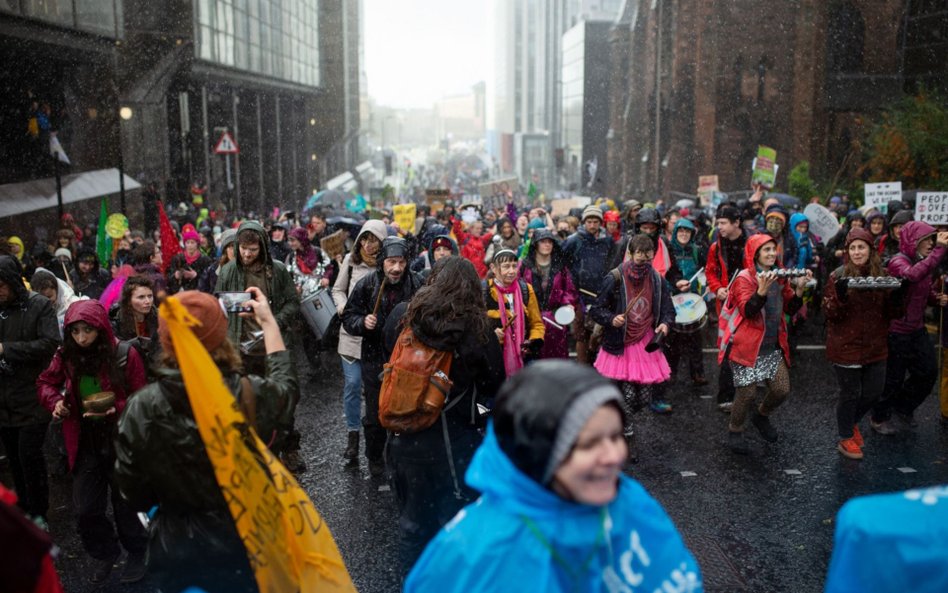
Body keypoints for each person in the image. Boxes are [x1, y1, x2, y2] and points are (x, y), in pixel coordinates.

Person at [404, 361, 703, 593]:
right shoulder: (474, 553)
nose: (614, 456)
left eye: (615, 436)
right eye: (588, 444)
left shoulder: (629, 500)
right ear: (539, 453)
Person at [113, 289, 295, 593]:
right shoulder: (247, 393)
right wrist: (269, 323)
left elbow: (132, 492)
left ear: (168, 342)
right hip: (248, 541)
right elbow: (286, 391)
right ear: (220, 336)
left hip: (179, 550)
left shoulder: (140, 407)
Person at [382, 257, 505, 575]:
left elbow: (388, 359)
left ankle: (414, 581)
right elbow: (494, 386)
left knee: (413, 522)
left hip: (404, 433)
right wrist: (480, 415)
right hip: (455, 442)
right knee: (456, 521)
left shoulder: (404, 316)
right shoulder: (478, 329)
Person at [36, 300, 148, 584]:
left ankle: (137, 553)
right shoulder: (66, 355)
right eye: (75, 332)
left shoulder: (125, 353)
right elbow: (45, 383)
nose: (82, 338)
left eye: (88, 331)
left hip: (121, 440)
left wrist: (117, 408)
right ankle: (106, 552)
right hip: (84, 440)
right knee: (86, 509)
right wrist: (56, 403)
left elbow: (143, 398)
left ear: (100, 327)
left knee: (126, 505)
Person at [215, 221, 302, 469]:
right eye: (242, 248)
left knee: (282, 400)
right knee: (245, 402)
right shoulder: (228, 271)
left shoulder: (277, 270)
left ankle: (290, 448)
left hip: (271, 348)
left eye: (252, 249)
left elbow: (293, 303)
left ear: (262, 247)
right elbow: (217, 304)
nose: (246, 254)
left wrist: (273, 320)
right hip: (240, 348)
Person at [720, 234, 809, 454]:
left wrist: (799, 291)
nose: (771, 254)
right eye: (765, 250)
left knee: (781, 390)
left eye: (773, 249)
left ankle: (761, 416)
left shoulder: (779, 277)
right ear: (755, 254)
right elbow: (747, 311)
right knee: (747, 394)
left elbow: (790, 309)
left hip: (771, 346)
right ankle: (735, 430)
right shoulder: (744, 278)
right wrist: (760, 291)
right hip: (746, 347)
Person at [342, 236, 423, 476]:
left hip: (409, 359)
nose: (396, 268)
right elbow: (348, 317)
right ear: (382, 263)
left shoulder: (417, 283)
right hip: (374, 356)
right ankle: (375, 457)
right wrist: (362, 322)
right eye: (391, 262)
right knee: (377, 413)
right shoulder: (367, 285)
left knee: (407, 408)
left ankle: (404, 456)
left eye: (400, 262)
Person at [590, 234, 675, 460]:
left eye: (648, 260)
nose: (644, 265)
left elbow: (668, 308)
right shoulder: (615, 278)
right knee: (628, 393)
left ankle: (619, 416)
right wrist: (611, 318)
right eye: (640, 260)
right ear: (630, 254)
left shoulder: (656, 279)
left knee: (644, 398)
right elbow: (596, 309)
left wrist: (665, 323)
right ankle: (625, 432)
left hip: (646, 343)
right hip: (621, 342)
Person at [823, 228, 905, 460]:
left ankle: (852, 423)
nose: (857, 252)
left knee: (873, 392)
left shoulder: (883, 275)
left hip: (875, 346)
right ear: (847, 251)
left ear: (870, 249)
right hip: (845, 346)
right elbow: (830, 314)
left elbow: (893, 313)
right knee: (849, 393)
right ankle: (845, 436)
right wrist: (840, 297)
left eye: (862, 247)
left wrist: (899, 296)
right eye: (853, 248)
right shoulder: (837, 275)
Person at [870, 221, 948, 434]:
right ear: (913, 241)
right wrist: (940, 250)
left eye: (933, 240)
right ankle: (879, 417)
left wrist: (936, 298)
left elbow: (923, 288)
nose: (931, 244)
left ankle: (903, 407)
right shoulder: (898, 261)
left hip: (917, 329)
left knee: (928, 371)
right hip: (896, 331)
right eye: (927, 240)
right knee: (893, 378)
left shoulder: (925, 261)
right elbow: (912, 275)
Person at [0, 255, 60, 531]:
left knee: (29, 456)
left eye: (1, 285)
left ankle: (39, 512)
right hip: (4, 400)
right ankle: (23, 509)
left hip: (32, 396)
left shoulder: (38, 305)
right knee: (13, 458)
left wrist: (7, 349)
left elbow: (49, 343)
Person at [332, 220, 387, 464]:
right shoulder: (350, 262)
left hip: (377, 340)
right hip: (351, 336)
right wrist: (344, 307)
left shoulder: (390, 264)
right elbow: (337, 289)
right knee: (353, 385)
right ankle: (353, 435)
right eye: (364, 240)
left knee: (378, 391)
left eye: (373, 240)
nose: (367, 245)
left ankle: (380, 437)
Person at [706, 204, 750, 412]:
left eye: (723, 223)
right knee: (728, 349)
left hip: (750, 303)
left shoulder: (752, 243)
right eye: (718, 222)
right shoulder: (716, 247)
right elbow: (710, 272)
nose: (719, 227)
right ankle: (725, 395)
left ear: (736, 223)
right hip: (726, 306)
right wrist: (718, 288)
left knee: (749, 347)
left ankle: (747, 392)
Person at [562, 205, 614, 364]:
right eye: (589, 221)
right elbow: (562, 265)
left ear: (600, 223)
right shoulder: (573, 241)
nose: (592, 225)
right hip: (579, 295)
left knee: (599, 333)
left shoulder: (607, 241)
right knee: (580, 334)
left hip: (601, 294)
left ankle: (598, 364)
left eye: (595, 222)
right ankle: (582, 367)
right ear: (584, 222)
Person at [519, 229, 579, 359]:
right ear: (536, 244)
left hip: (555, 320)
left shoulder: (560, 266)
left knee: (556, 357)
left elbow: (569, 290)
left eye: (550, 242)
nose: (547, 245)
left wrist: (568, 304)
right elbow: (517, 289)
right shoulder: (524, 266)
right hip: (531, 320)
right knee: (533, 357)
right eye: (543, 242)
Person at [484, 249, 545, 376]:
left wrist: (532, 341)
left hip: (524, 357)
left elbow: (537, 323)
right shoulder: (484, 292)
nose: (512, 271)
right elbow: (475, 326)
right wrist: (491, 335)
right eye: (506, 267)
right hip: (494, 357)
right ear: (493, 268)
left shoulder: (526, 289)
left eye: (514, 266)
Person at [664, 218, 708, 385]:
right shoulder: (669, 250)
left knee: (695, 338)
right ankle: (670, 372)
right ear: (675, 232)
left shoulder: (697, 251)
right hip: (672, 299)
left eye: (687, 231)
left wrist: (705, 284)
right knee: (672, 340)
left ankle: (697, 373)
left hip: (692, 301)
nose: (684, 234)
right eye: (681, 231)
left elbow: (706, 271)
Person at [110, 275, 160, 368]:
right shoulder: (116, 321)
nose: (148, 301)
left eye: (150, 296)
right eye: (141, 297)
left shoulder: (159, 317)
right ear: (129, 300)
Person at [166, 229, 213, 294]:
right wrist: (175, 276)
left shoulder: (205, 260)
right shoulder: (177, 259)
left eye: (192, 242)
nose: (190, 245)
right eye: (187, 242)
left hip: (198, 295)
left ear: (197, 244)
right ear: (184, 244)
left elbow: (210, 280)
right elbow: (168, 278)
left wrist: (195, 276)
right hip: (180, 295)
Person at [197, 228, 236, 294]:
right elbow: (203, 291)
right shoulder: (213, 269)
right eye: (231, 246)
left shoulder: (249, 268)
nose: (235, 250)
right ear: (225, 249)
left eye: (238, 246)